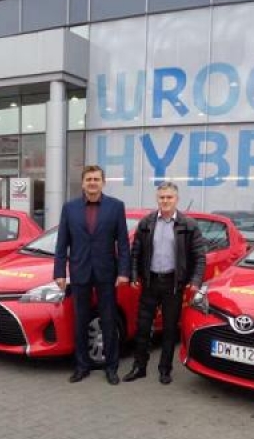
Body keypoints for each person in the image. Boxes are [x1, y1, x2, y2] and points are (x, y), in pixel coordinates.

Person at [123, 181, 206, 384]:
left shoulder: (189, 225)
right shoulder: (146, 223)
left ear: (177, 199)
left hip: (173, 284)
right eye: (162, 197)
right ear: (157, 199)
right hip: (150, 282)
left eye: (169, 197)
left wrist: (195, 280)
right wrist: (133, 275)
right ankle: (139, 367)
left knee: (169, 329)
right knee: (143, 328)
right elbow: (136, 252)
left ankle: (165, 369)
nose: (165, 201)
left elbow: (199, 256)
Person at [54, 165, 130, 385]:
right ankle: (81, 366)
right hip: (79, 272)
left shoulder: (116, 207)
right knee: (80, 320)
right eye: (89, 179)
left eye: (96, 179)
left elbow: (123, 243)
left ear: (103, 182)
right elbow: (62, 243)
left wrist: (123, 272)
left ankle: (111, 368)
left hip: (107, 272)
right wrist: (59, 272)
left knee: (108, 320)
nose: (92, 183)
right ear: (83, 183)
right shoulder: (69, 208)